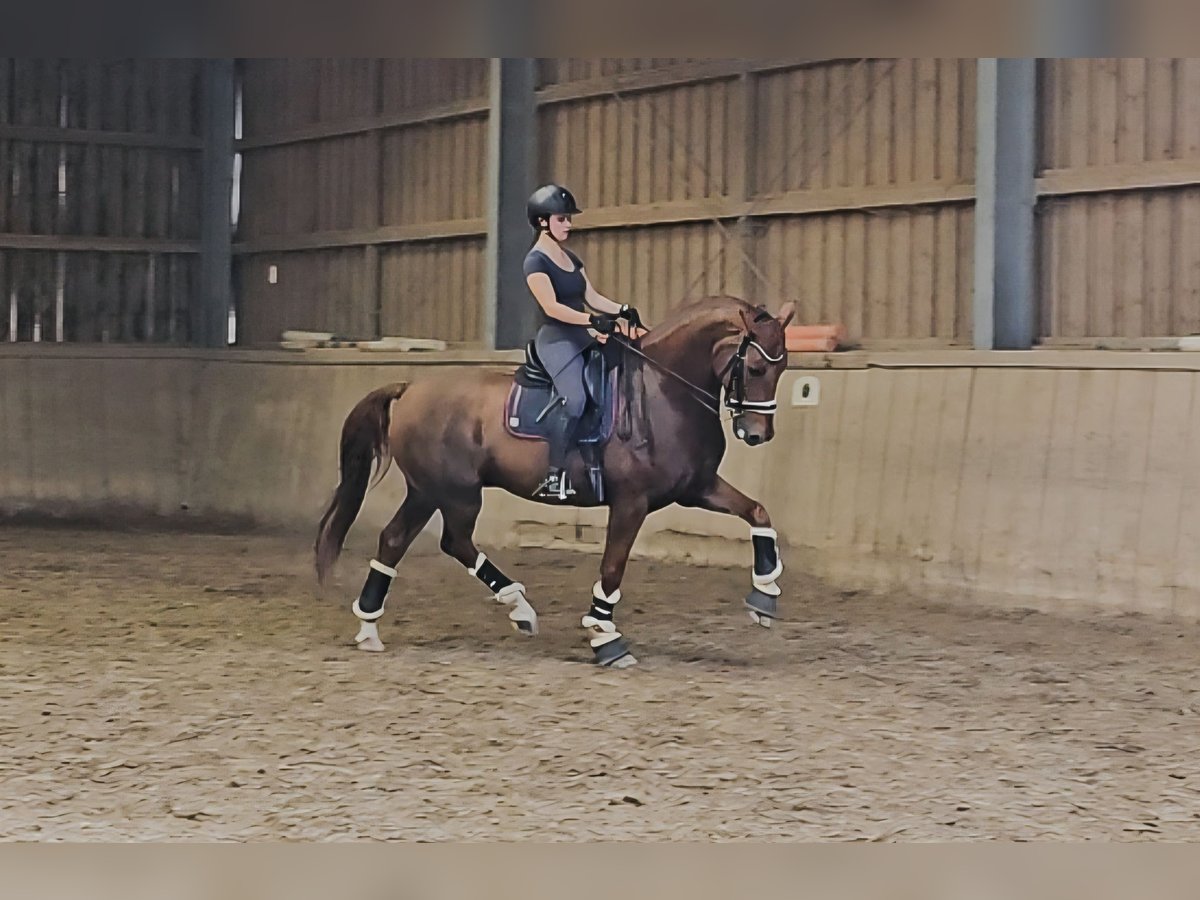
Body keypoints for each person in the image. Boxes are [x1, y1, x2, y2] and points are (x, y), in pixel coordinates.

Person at [523, 184, 646, 501]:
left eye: (568, 219)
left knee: (625, 371)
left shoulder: (570, 258)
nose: (568, 225)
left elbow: (589, 297)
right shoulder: (535, 262)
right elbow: (552, 307)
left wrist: (621, 309)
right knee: (576, 400)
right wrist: (591, 321)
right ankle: (553, 476)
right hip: (557, 340)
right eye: (562, 219)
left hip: (583, 333)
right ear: (542, 222)